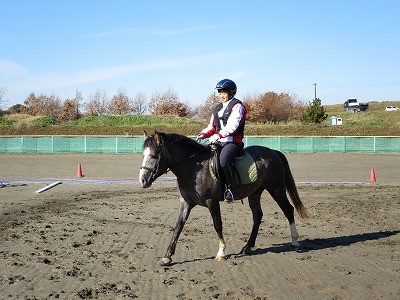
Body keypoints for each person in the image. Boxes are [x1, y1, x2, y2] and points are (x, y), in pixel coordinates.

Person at [197, 79, 247, 202]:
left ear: (232, 92)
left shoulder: (237, 106)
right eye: (219, 92)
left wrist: (217, 136)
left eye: (224, 92)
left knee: (224, 161)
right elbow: (212, 127)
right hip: (219, 141)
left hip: (233, 142)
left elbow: (232, 127)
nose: (221, 95)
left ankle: (231, 189)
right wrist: (203, 134)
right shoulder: (217, 109)